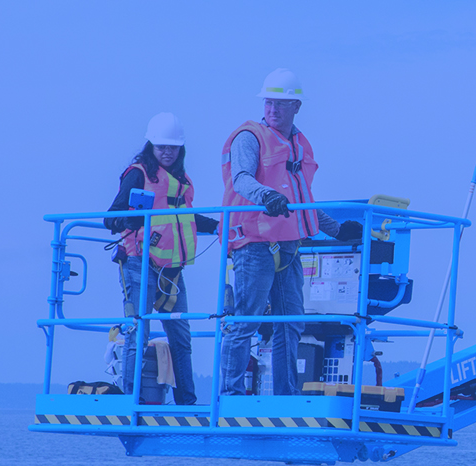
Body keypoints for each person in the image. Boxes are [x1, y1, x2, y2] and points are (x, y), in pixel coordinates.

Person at [218, 68, 360, 396]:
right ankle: (230, 395)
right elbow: (241, 179)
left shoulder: (299, 145)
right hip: (253, 243)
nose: (273, 109)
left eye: (280, 103)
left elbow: (302, 199)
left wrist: (337, 230)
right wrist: (266, 196)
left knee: (291, 322)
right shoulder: (249, 137)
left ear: (296, 106)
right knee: (246, 320)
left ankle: (286, 395)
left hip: (288, 246)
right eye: (269, 102)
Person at [105, 112, 218, 404]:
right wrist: (130, 221)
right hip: (139, 264)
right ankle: (132, 401)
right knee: (138, 332)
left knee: (181, 336)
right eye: (162, 147)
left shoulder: (181, 181)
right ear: (151, 146)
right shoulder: (138, 174)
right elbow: (111, 217)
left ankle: (187, 401)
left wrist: (218, 226)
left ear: (181, 149)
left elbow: (186, 217)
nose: (167, 152)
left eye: (173, 147)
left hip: (172, 271)